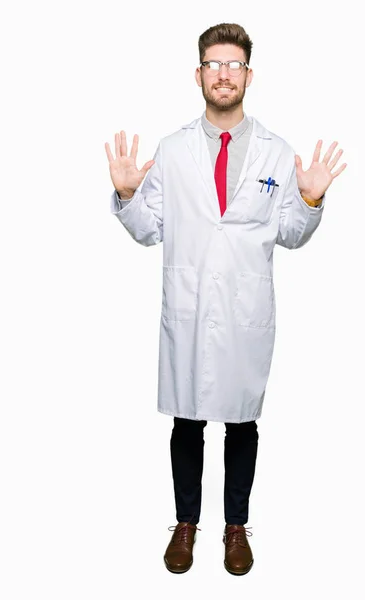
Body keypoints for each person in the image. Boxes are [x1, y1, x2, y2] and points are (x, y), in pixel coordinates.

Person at [104, 23, 346, 575]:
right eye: (213, 64)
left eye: (233, 65)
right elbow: (147, 230)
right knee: (187, 421)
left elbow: (291, 233)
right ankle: (185, 525)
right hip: (188, 308)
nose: (223, 74)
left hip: (244, 314)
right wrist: (125, 192)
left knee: (241, 423)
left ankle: (235, 527)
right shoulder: (171, 149)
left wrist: (308, 195)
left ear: (248, 76)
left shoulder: (276, 152)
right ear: (198, 74)